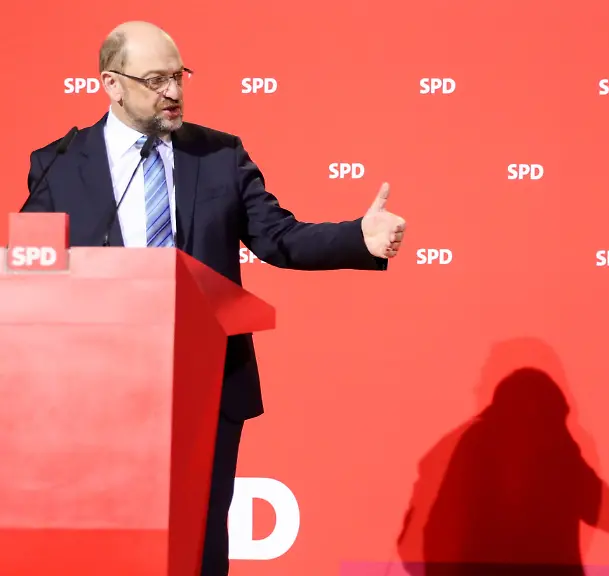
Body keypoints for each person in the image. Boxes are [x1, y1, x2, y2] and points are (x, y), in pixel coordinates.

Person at [20, 21, 406, 576]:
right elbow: (33, 273)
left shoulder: (220, 154)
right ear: (112, 84)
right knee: (110, 552)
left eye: (179, 76)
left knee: (198, 546)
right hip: (98, 394)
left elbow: (277, 237)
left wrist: (357, 238)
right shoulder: (58, 164)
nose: (173, 91)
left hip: (205, 384)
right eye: (155, 80)